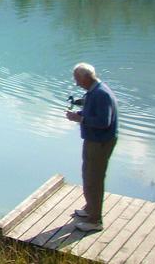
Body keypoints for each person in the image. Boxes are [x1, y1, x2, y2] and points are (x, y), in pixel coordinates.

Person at [64, 62, 118, 232]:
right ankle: (90, 209)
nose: (77, 84)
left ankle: (95, 221)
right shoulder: (94, 91)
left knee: (94, 180)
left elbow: (104, 122)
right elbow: (91, 112)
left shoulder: (101, 95)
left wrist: (80, 119)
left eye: (78, 80)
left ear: (86, 78)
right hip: (94, 141)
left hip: (99, 143)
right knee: (88, 176)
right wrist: (79, 114)